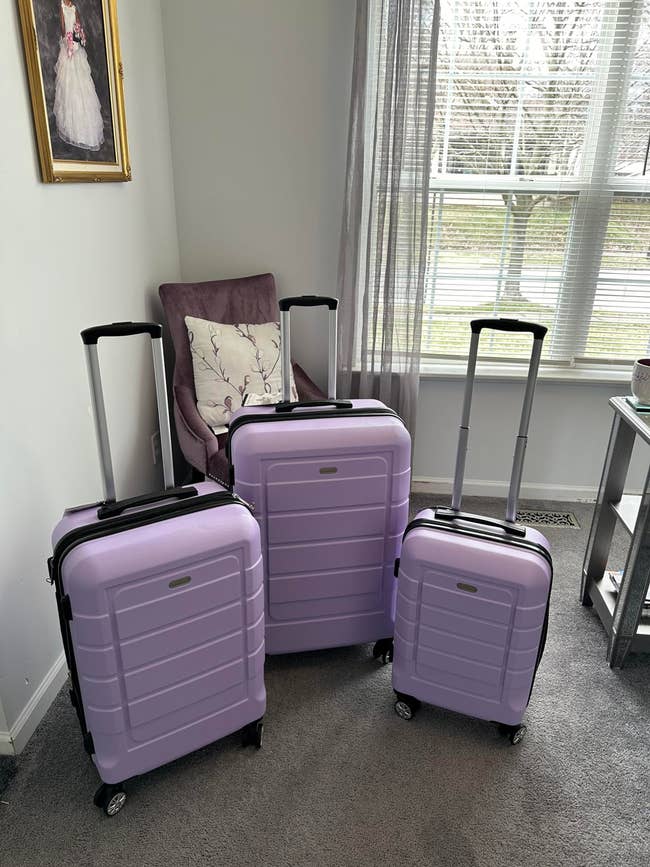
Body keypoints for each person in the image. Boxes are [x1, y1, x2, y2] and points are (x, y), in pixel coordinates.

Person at [53, 0, 104, 151]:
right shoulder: (61, 5)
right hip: (67, 45)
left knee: (83, 85)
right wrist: (68, 40)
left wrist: (77, 37)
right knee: (69, 84)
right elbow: (63, 28)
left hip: (75, 46)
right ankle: (70, 127)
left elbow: (78, 25)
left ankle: (85, 127)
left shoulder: (74, 8)